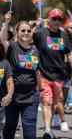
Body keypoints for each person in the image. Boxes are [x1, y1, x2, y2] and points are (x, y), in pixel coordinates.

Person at [33, 9, 72, 139]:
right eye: (54, 19)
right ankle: (48, 130)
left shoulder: (64, 35)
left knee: (56, 102)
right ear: (48, 20)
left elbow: (68, 53)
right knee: (46, 102)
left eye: (59, 19)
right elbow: (28, 42)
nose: (56, 21)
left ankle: (54, 123)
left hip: (59, 76)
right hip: (44, 74)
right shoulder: (40, 34)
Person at [4, 21, 40, 139]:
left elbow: (37, 71)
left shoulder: (36, 50)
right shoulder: (12, 47)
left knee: (30, 132)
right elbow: (3, 39)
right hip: (12, 96)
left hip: (31, 97)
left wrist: (40, 90)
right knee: (9, 128)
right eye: (23, 30)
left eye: (28, 31)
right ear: (17, 33)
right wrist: (6, 22)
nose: (26, 33)